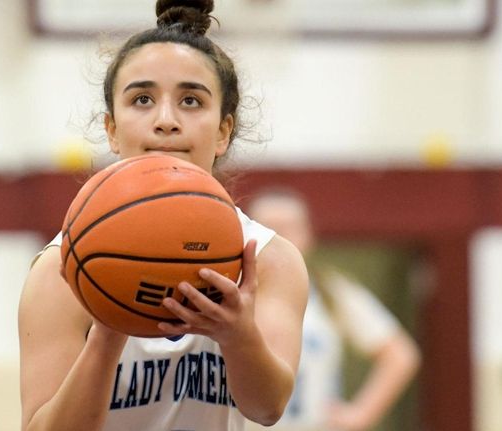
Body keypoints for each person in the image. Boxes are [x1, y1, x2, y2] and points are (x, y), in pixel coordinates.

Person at [18, 1, 309, 430]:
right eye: (142, 99)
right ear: (113, 130)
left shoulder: (269, 260)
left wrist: (236, 334)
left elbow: (267, 409)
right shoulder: (61, 270)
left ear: (223, 131)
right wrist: (106, 334)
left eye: (191, 100)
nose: (166, 120)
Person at [245, 188, 421, 431]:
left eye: (289, 227)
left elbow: (400, 354)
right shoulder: (232, 289)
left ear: (308, 235)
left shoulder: (333, 292)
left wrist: (360, 414)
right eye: (268, 228)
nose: (280, 237)